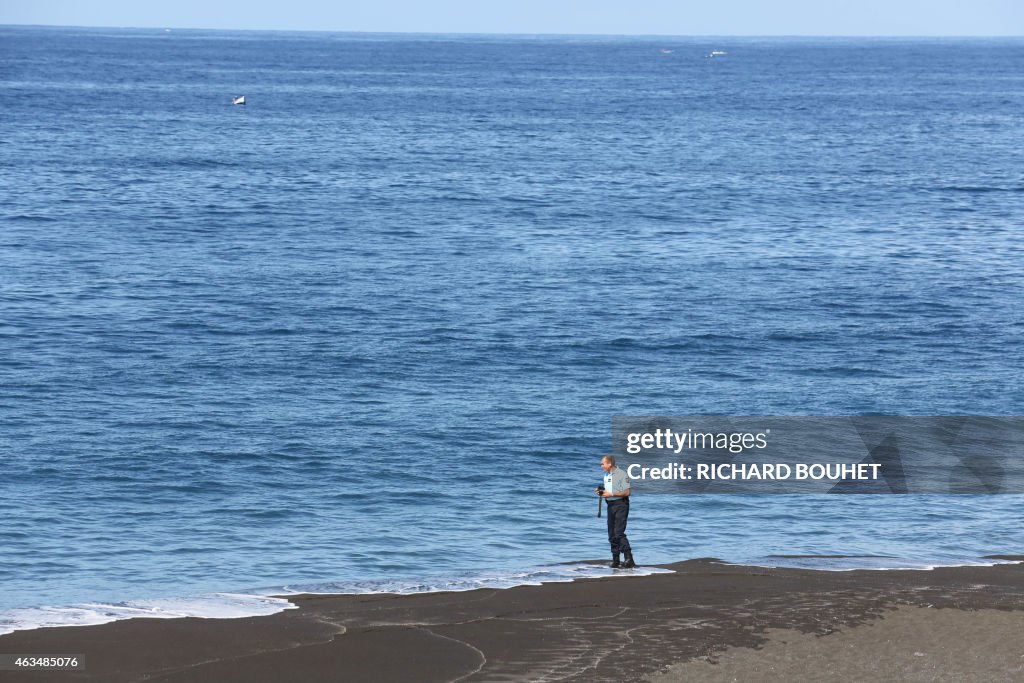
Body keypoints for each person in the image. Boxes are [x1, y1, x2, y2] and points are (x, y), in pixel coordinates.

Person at [596, 454, 635, 568]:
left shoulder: (621, 474)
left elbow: (627, 492)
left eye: (603, 463)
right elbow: (609, 491)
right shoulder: (606, 475)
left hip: (621, 505)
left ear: (610, 463)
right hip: (611, 505)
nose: (601, 465)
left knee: (619, 533)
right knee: (611, 534)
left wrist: (611, 494)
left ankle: (629, 559)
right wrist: (602, 492)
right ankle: (616, 560)